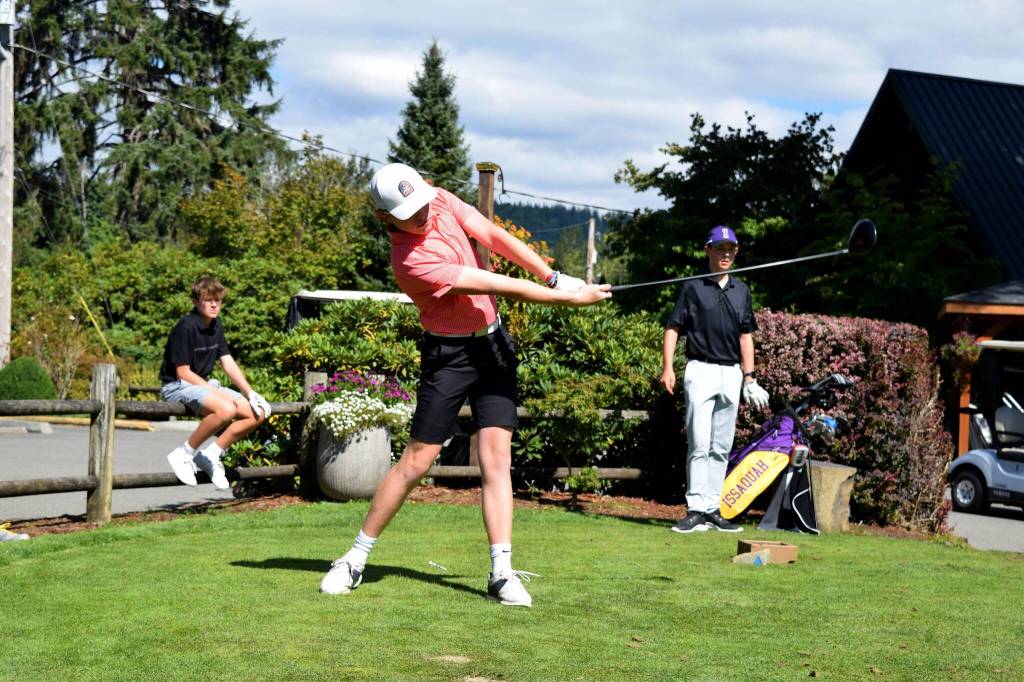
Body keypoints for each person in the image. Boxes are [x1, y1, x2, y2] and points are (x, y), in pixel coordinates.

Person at [319, 163, 611, 607]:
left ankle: (502, 573)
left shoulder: (436, 198)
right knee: (417, 461)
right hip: (449, 357)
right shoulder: (411, 262)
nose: (422, 214)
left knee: (497, 458)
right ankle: (354, 558)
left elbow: (492, 235)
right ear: (384, 217)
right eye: (409, 213)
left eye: (421, 203)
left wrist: (553, 276)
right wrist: (567, 297)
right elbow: (498, 283)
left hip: (493, 346)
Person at [659, 226, 770, 534]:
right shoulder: (693, 287)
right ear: (707, 250)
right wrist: (668, 368)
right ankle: (695, 509)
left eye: (730, 249)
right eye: (720, 248)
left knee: (721, 445)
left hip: (731, 373)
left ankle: (711, 509)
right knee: (699, 442)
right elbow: (673, 328)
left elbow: (746, 336)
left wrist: (750, 377)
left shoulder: (741, 290)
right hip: (701, 369)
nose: (726, 254)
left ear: (736, 252)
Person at [161, 276, 271, 490]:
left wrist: (250, 393)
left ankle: (211, 454)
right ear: (195, 302)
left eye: (217, 300)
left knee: (257, 413)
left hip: (203, 384)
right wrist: (218, 394)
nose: (214, 305)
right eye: (208, 300)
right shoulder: (186, 326)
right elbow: (183, 372)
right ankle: (184, 453)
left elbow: (228, 362)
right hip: (177, 385)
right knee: (227, 408)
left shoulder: (216, 325)